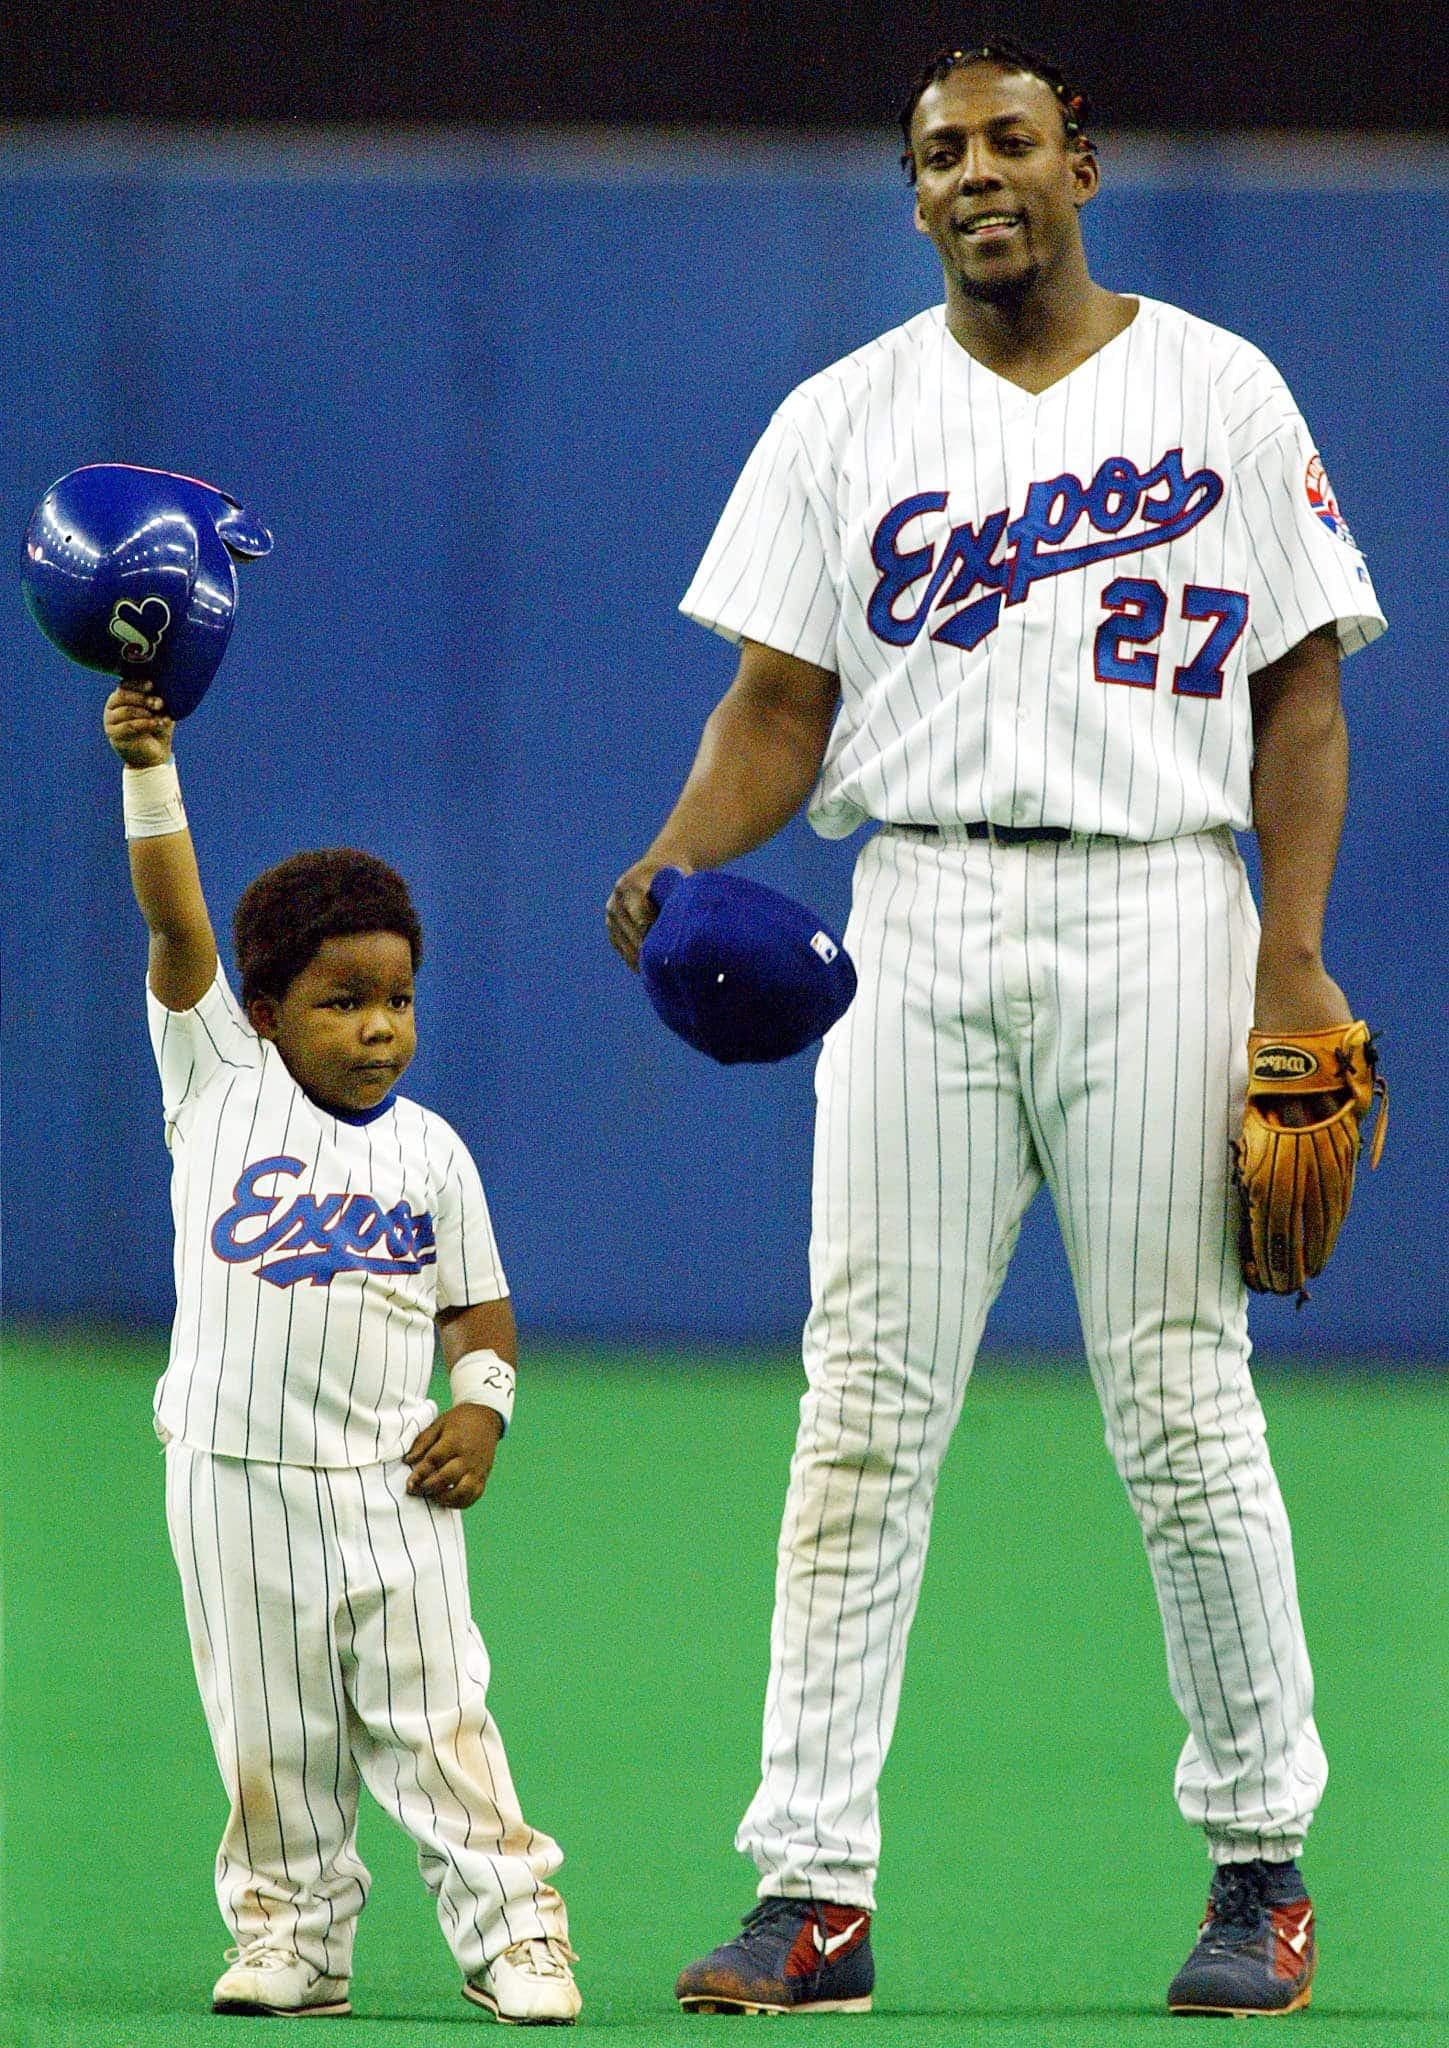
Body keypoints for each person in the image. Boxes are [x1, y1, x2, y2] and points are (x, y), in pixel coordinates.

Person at [606, 38, 1384, 2020]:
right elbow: (779, 704)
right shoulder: (842, 414)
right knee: (861, 1407)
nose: (972, 171)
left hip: (1160, 899)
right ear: (914, 191)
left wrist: (1291, 958)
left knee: (1180, 1404)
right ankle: (810, 1893)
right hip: (923, 911)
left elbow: (1299, 694)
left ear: (1079, 165)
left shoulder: (1216, 389)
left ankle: (1259, 1870)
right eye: (938, 150)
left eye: (1007, 140)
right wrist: (678, 852)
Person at [103, 681, 581, 2025]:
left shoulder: (431, 1151)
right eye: (343, 1000)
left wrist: (481, 1410)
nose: (379, 1025)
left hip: (390, 1489)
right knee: (271, 1739)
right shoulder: (218, 1083)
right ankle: (293, 1943)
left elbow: (477, 1309)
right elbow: (176, 923)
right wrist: (151, 768)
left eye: (399, 998)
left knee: (438, 1724)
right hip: (229, 1479)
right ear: (261, 1011)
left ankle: (518, 1936)